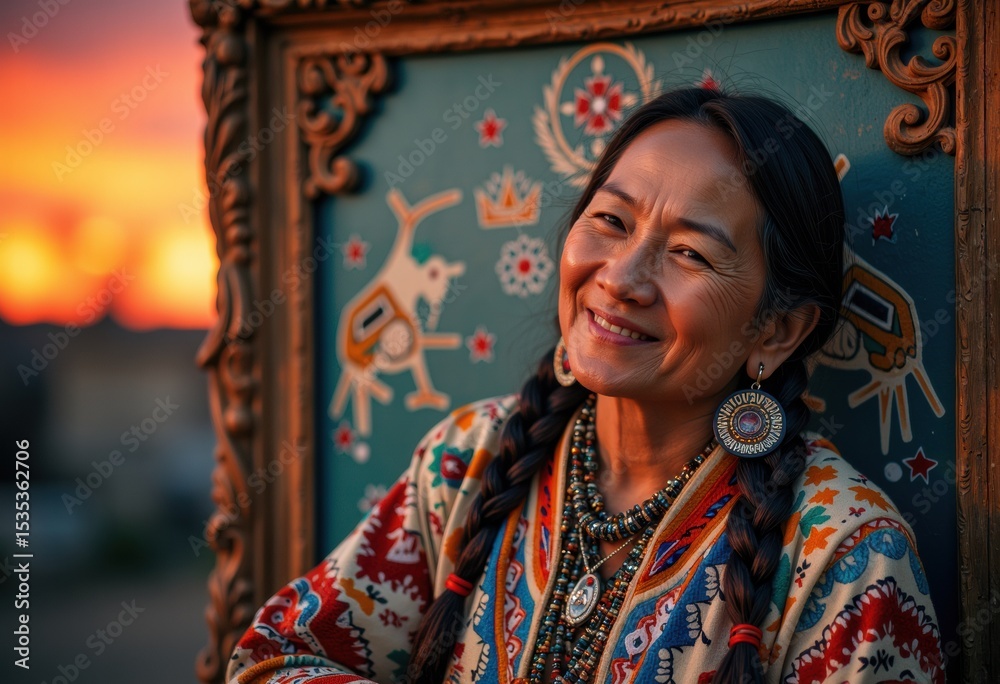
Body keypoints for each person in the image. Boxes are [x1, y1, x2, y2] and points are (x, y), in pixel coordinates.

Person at [226, 86, 945, 684]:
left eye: (690, 253)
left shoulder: (846, 558)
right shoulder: (469, 460)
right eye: (609, 220)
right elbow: (273, 659)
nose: (621, 279)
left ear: (777, 331)